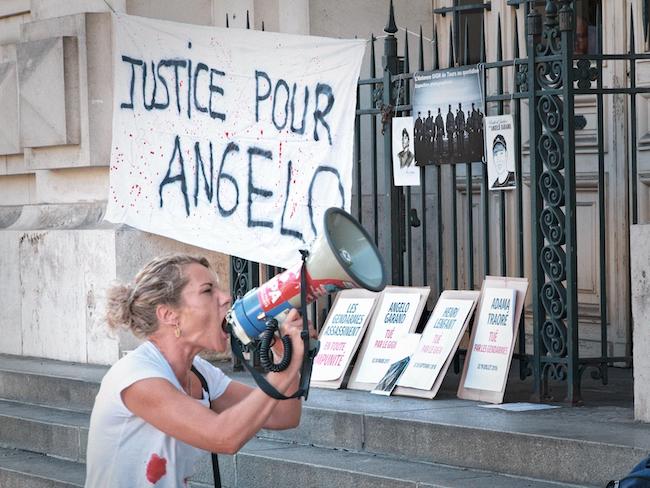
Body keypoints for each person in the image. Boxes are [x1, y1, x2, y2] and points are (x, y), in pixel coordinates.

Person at [85, 254, 309, 487]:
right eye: (207, 290)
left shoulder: (200, 373)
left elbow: (284, 415)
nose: (226, 298)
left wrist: (284, 354)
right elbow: (223, 437)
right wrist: (285, 371)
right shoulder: (136, 376)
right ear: (169, 315)